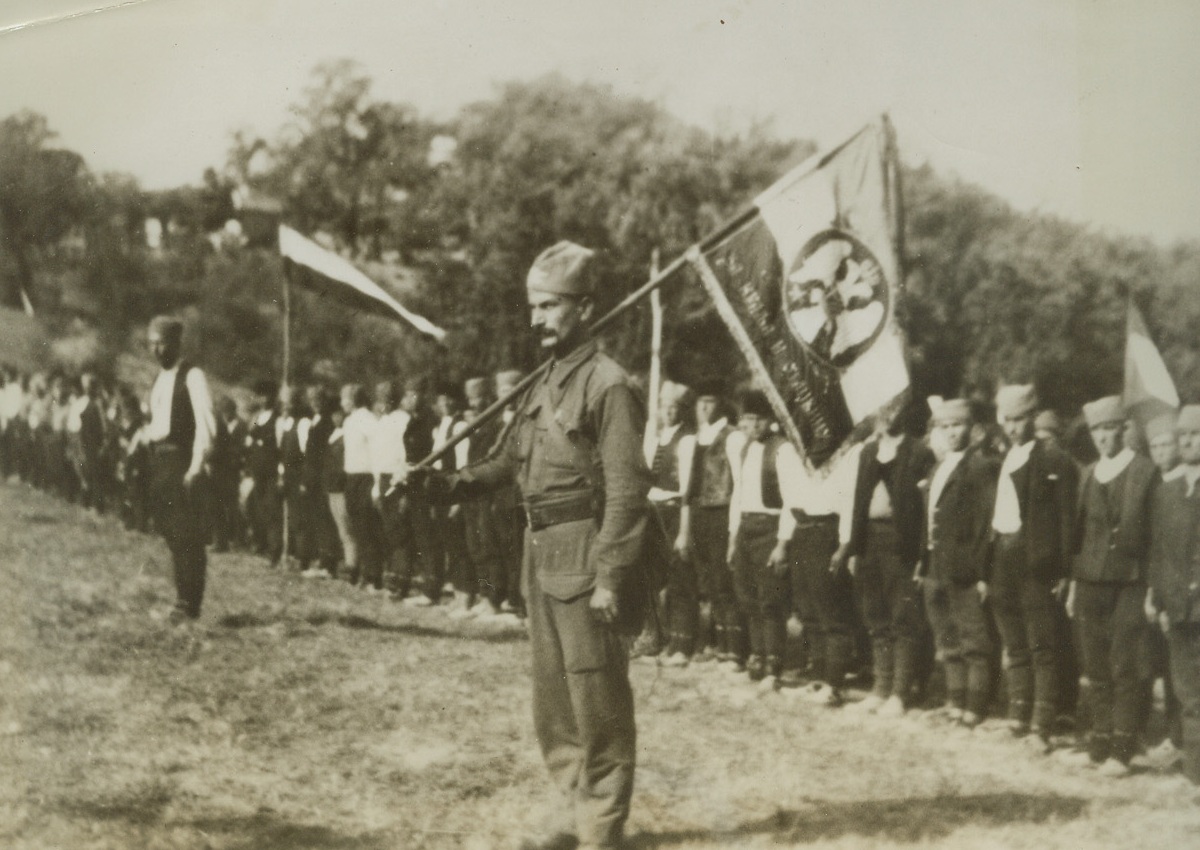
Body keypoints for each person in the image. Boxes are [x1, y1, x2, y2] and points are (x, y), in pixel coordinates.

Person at [403, 240, 651, 850]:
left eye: (550, 307)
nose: (536, 320)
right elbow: (508, 462)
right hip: (539, 550)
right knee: (554, 695)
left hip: (587, 551)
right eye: (533, 307)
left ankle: (601, 825)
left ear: (585, 307)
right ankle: (569, 808)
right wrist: (444, 485)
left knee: (596, 694)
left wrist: (613, 576)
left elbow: (626, 490)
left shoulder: (609, 384)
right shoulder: (544, 381)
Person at [1065, 395, 1158, 775]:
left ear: (1123, 429)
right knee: (1095, 661)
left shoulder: (1145, 472)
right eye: (1097, 430)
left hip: (1131, 580)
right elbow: (1077, 534)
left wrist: (1152, 587)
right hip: (1089, 579)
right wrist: (1073, 583)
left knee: (1125, 662)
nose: (1103, 437)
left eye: (1109, 428)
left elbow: (1156, 537)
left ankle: (1123, 744)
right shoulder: (1088, 474)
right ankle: (1100, 738)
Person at [984, 385, 1078, 750]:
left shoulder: (1053, 460)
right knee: (1015, 642)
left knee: (1043, 644)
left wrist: (1064, 570)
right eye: (1006, 420)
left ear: (1033, 417)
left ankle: (1043, 723)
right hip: (1003, 557)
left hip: (1035, 561)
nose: (1013, 427)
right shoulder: (1006, 457)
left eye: (1020, 419)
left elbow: (1067, 521)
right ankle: (1018, 714)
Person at [845, 400, 936, 717]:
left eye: (892, 409)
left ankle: (900, 691)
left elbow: (925, 511)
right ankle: (880, 687)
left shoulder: (918, 452)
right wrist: (854, 547)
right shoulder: (868, 452)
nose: (885, 416)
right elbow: (858, 501)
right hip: (870, 540)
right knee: (876, 615)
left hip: (901, 544)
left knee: (903, 618)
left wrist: (922, 554)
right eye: (880, 409)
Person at [917, 396, 998, 728]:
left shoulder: (981, 467)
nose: (951, 433)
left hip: (964, 566)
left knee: (973, 639)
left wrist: (982, 572)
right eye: (944, 427)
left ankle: (976, 706)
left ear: (973, 429)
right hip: (936, 564)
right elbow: (929, 518)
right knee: (946, 636)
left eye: (957, 426)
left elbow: (985, 523)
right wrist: (923, 562)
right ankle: (955, 699)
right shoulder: (938, 467)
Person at [143, 316, 216, 622]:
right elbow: (157, 425)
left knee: (187, 535)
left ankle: (188, 604)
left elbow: (206, 423)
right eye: (152, 343)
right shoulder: (159, 379)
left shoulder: (193, 376)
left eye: (162, 342)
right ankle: (182, 599)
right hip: (160, 462)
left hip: (182, 462)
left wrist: (197, 465)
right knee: (173, 533)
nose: (156, 350)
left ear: (176, 342)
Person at [1147, 405, 1200, 786]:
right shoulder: (1167, 493)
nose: (1188, 442)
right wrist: (1158, 599)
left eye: (1196, 435)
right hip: (1180, 611)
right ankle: (1196, 773)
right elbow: (1161, 552)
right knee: (1188, 695)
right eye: (1183, 436)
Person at [677, 380, 746, 665]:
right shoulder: (693, 439)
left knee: (723, 582)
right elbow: (687, 489)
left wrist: (733, 529)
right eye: (700, 402)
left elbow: (740, 485)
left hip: (721, 514)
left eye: (710, 402)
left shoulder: (732, 437)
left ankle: (735, 650)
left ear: (720, 405)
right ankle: (713, 643)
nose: (704, 408)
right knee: (704, 581)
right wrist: (684, 529)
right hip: (698, 515)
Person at [645, 381, 695, 666]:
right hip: (654, 511)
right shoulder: (656, 438)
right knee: (655, 579)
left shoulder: (686, 440)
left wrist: (684, 531)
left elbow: (687, 488)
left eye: (674, 408)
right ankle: (660, 639)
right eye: (664, 407)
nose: (669, 413)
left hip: (676, 512)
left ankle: (682, 645)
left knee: (680, 579)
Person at [243, 379, 283, 564]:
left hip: (271, 471)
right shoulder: (257, 417)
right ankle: (261, 544)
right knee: (257, 507)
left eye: (267, 396)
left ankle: (274, 550)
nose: (263, 399)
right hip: (256, 470)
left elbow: (280, 446)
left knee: (272, 510)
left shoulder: (277, 418)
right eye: (261, 396)